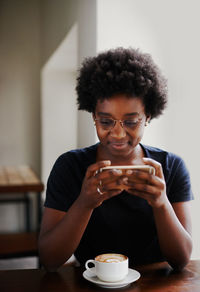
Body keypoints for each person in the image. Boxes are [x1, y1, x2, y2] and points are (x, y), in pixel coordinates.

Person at [38, 47, 193, 272]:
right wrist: (84, 203)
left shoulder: (171, 167)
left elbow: (180, 260)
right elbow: (50, 259)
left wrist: (161, 204)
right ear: (93, 117)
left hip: (154, 283)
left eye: (131, 122)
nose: (118, 134)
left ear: (147, 117)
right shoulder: (70, 167)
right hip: (90, 281)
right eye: (106, 121)